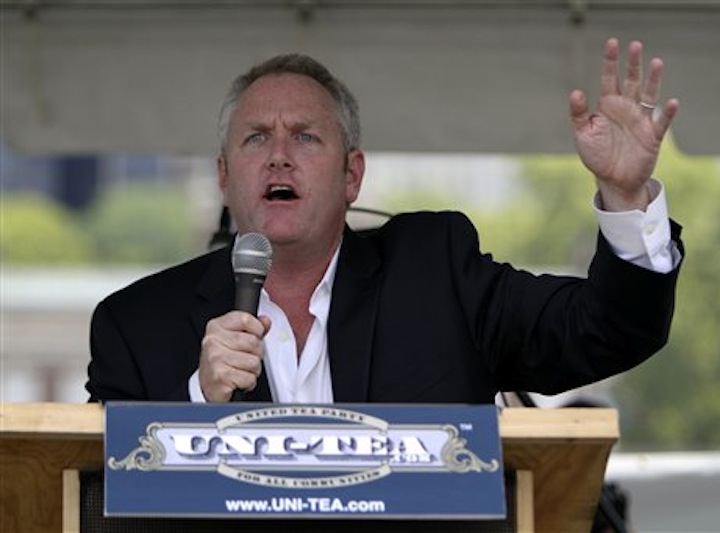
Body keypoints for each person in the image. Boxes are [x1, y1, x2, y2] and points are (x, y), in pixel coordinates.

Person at [86, 38, 683, 404]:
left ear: (353, 176)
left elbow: (608, 330)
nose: (278, 155)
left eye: (307, 136)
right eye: (256, 137)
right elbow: (94, 495)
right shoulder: (136, 326)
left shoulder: (438, 274)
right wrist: (195, 403)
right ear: (223, 175)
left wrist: (625, 194)